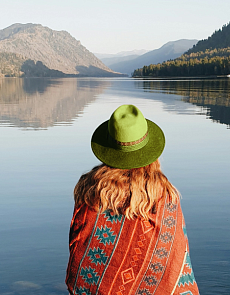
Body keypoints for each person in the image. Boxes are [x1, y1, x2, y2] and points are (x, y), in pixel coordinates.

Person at [66, 104, 200, 295]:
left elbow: (78, 240)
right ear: (150, 150)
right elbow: (176, 258)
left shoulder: (90, 189)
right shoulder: (165, 195)